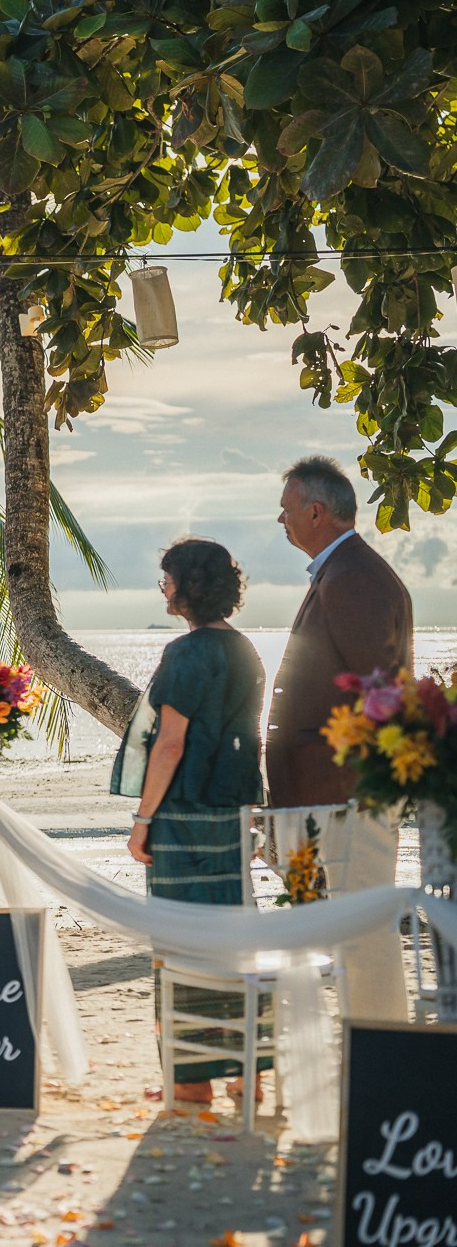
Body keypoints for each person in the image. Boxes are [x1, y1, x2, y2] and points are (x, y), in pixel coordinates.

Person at [117, 538, 268, 1104]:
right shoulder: (247, 650)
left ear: (187, 587)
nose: (164, 588)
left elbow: (170, 745)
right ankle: (246, 1074)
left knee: (181, 949)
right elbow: (248, 741)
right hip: (231, 813)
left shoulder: (185, 655)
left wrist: (141, 819)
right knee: (231, 945)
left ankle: (192, 1082)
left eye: (168, 579)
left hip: (183, 817)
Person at [266, 454, 413, 1020]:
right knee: (349, 929)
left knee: (362, 929)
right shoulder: (343, 571)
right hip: (332, 789)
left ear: (317, 511)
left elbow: (377, 689)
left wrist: (357, 783)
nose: (281, 521)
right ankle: (369, 1040)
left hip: (348, 792)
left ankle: (379, 1046)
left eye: (286, 510)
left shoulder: (353, 577)